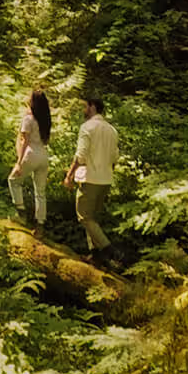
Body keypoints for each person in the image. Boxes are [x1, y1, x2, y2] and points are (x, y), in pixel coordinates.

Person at [63, 96, 118, 260]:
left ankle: (109, 250)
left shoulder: (87, 127)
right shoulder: (112, 130)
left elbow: (81, 155)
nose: (84, 110)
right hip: (106, 180)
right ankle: (95, 255)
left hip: (90, 179)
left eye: (85, 107)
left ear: (92, 107)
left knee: (84, 216)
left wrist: (69, 175)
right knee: (92, 219)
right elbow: (115, 157)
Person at [7, 88, 53, 231]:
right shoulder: (44, 120)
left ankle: (21, 213)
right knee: (40, 192)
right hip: (43, 155)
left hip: (30, 153)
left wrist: (19, 163)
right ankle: (40, 225)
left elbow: (24, 142)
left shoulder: (29, 119)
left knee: (13, 180)